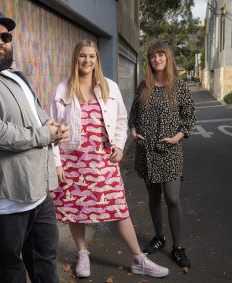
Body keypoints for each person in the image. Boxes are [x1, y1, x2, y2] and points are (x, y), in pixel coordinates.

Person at [47, 39, 169, 278]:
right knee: (75, 210)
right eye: (82, 56)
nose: (87, 61)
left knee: (118, 208)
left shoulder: (109, 87)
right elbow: (52, 128)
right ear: (76, 58)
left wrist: (120, 147)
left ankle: (138, 258)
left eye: (91, 56)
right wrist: (57, 163)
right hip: (72, 161)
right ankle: (82, 254)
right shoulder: (61, 90)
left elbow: (122, 121)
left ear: (97, 60)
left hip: (104, 161)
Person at [0, 8, 69, 283]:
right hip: (5, 204)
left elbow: (38, 117)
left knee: (46, 268)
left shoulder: (18, 75)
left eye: (5, 35)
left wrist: (54, 128)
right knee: (11, 274)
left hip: (39, 194)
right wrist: (45, 135)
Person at [128, 40, 196, 268]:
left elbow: (189, 117)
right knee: (154, 198)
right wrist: (134, 132)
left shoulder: (178, 86)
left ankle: (177, 247)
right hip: (147, 152)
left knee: (173, 198)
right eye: (153, 56)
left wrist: (177, 137)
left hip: (170, 152)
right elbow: (134, 115)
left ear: (167, 58)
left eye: (160, 55)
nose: (156, 59)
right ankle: (159, 237)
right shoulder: (143, 86)